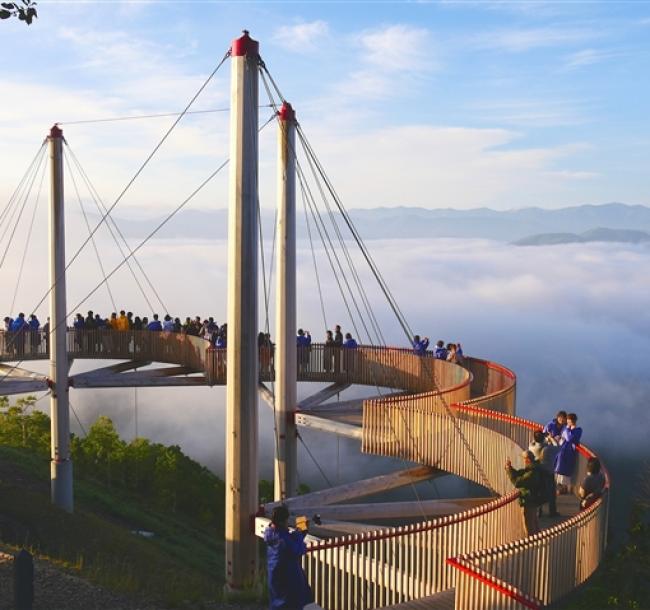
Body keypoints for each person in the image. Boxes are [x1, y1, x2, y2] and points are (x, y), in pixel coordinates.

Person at [264, 504, 313, 610]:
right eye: (286, 521)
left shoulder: (271, 533)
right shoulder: (283, 541)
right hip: (289, 579)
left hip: (276, 577)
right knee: (290, 604)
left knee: (277, 602)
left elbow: (288, 538)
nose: (288, 523)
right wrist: (300, 533)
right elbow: (299, 549)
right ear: (282, 522)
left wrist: (299, 533)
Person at [506, 450, 544, 536]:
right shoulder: (533, 469)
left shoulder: (531, 473)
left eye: (524, 459)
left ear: (527, 460)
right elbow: (520, 474)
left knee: (529, 527)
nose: (523, 461)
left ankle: (531, 546)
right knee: (535, 525)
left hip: (529, 502)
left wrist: (509, 470)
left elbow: (517, 482)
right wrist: (510, 468)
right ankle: (538, 543)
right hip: (533, 501)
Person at [529, 430, 559, 517]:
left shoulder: (531, 447)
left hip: (536, 473)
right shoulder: (547, 449)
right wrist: (550, 438)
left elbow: (533, 442)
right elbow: (557, 447)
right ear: (543, 439)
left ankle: (539, 511)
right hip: (547, 473)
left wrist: (541, 438)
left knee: (538, 491)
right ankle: (552, 511)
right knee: (551, 493)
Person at [554, 413, 582, 494]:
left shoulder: (577, 430)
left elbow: (570, 438)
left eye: (569, 421)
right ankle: (561, 488)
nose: (568, 422)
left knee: (565, 471)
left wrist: (567, 429)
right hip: (562, 451)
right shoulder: (566, 429)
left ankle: (564, 489)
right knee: (560, 471)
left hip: (568, 452)